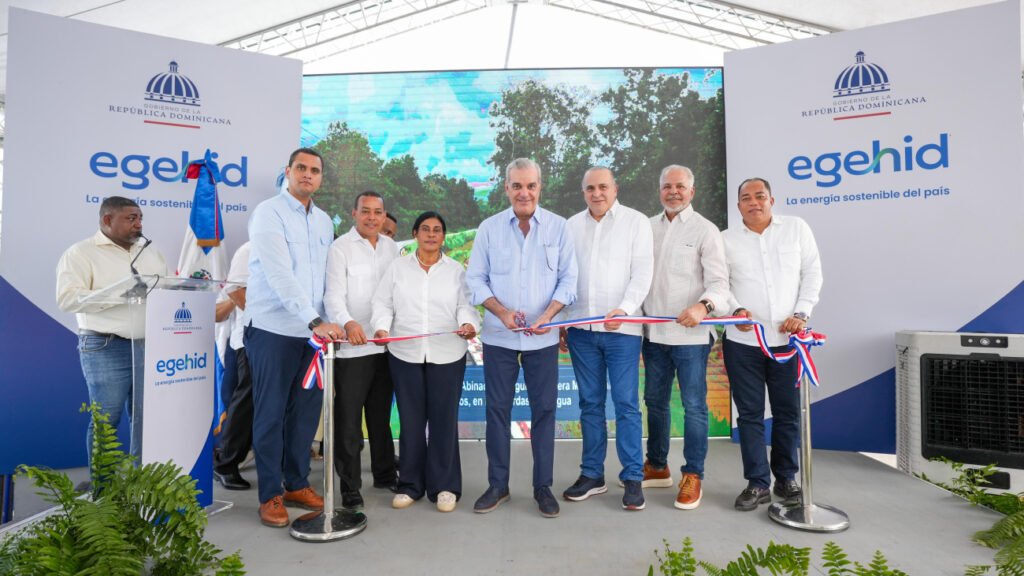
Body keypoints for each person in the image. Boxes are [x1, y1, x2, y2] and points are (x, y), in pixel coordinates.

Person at [465, 158, 577, 518]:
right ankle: (498, 486)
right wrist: (501, 313)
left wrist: (547, 317)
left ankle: (542, 487)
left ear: (540, 187)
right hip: (499, 338)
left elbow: (569, 281)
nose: (524, 192)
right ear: (507, 188)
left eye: (530, 185)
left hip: (543, 340)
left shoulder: (559, 229)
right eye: (517, 186)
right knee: (497, 410)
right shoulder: (489, 228)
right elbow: (476, 280)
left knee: (544, 411)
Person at [245, 147, 343, 527]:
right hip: (273, 329)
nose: (308, 175)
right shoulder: (268, 213)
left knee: (304, 413)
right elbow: (279, 274)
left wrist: (328, 322)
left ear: (320, 179)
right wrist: (314, 319)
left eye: (315, 170)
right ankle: (270, 493)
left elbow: (323, 281)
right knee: (270, 414)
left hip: (313, 337)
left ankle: (296, 483)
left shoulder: (323, 221)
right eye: (301, 168)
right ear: (288, 172)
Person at [722, 177, 822, 512]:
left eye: (760, 196)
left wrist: (801, 313)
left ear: (772, 200)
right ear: (738, 207)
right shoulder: (725, 240)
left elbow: (812, 273)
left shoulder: (796, 229)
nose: (754, 202)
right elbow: (719, 284)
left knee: (787, 412)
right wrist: (734, 308)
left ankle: (786, 478)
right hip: (743, 341)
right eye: (746, 198)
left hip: (787, 341)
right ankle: (757, 483)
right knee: (749, 414)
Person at [372, 211, 480, 513]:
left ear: (443, 236)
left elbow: (466, 306)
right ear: (416, 234)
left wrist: (468, 324)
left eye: (437, 230)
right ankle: (410, 485)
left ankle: (445, 487)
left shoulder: (456, 270)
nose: (431, 234)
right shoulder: (398, 268)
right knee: (411, 422)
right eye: (425, 229)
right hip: (405, 354)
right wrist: (382, 326)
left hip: (447, 353)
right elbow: (383, 302)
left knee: (444, 422)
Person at [561, 167, 653, 511]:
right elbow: (565, 276)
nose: (596, 193)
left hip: (622, 332)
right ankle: (592, 475)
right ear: (583, 192)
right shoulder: (570, 226)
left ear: (615, 189)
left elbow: (643, 271)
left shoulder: (636, 222)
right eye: (590, 188)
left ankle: (632, 478)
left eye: (602, 187)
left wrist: (625, 309)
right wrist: (563, 322)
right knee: (590, 404)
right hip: (582, 332)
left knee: (627, 405)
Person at [640, 165, 729, 510]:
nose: (673, 192)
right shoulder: (646, 228)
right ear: (660, 190)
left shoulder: (706, 231)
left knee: (694, 407)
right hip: (654, 334)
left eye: (680, 186)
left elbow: (720, 283)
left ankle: (693, 474)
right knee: (655, 402)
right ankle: (658, 465)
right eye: (667, 186)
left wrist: (703, 307)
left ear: (692, 191)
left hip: (691, 338)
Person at [56, 196, 167, 468]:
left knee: (146, 420)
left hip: (148, 345)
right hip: (105, 346)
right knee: (107, 422)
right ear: (107, 220)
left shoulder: (150, 252)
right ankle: (105, 497)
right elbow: (67, 299)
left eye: (140, 218)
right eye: (131, 218)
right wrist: (122, 295)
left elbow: (164, 290)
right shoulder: (81, 253)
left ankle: (143, 488)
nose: (139, 224)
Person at [324, 191, 399, 510]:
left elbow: (398, 293)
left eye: (378, 212)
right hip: (352, 349)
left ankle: (384, 474)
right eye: (365, 211)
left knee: (381, 418)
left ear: (385, 216)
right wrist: (348, 322)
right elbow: (332, 297)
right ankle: (350, 486)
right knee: (349, 422)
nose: (372, 217)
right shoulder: (340, 248)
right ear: (353, 213)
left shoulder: (392, 248)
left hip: (385, 346)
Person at [213, 241, 254, 490]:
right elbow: (222, 307)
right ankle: (226, 463)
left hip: (288, 342)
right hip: (250, 341)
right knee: (245, 404)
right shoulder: (248, 251)